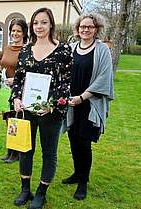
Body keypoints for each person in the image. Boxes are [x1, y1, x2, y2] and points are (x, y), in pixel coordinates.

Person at [11, 8, 72, 208]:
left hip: (50, 113)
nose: (39, 26)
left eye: (44, 22)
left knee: (49, 152)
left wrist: (51, 104)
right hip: (27, 110)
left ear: (51, 25)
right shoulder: (26, 50)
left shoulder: (63, 50)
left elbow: (66, 83)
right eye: (36, 22)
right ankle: (25, 189)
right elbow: (19, 79)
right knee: (25, 149)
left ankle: (41, 192)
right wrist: (16, 98)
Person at [63, 13, 114, 200]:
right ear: (78, 29)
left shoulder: (102, 51)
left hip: (89, 103)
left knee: (84, 142)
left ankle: (83, 182)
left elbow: (103, 79)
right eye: (82, 26)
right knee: (73, 139)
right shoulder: (71, 48)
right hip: (71, 103)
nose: (85, 30)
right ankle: (77, 173)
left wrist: (82, 97)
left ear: (96, 29)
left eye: (89, 27)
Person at [0, 18, 28, 164]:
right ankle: (10, 151)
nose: (15, 33)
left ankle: (16, 152)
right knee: (8, 120)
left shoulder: (27, 50)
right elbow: (5, 64)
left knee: (16, 120)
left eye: (18, 31)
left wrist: (14, 79)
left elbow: (28, 72)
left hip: (18, 90)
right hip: (4, 90)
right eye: (13, 31)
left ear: (24, 33)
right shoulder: (7, 48)